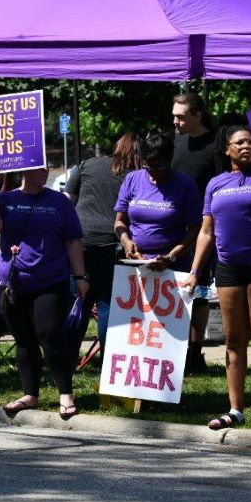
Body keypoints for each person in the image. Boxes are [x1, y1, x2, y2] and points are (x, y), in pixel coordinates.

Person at [179, 126, 251, 437]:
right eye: (239, 142)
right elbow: (206, 231)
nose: (246, 146)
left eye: (250, 142)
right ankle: (236, 410)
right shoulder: (215, 184)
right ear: (226, 149)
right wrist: (195, 270)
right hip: (228, 269)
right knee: (234, 341)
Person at [0, 161, 89, 420]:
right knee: (24, 339)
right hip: (13, 283)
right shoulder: (6, 198)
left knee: (49, 335)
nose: (45, 173)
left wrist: (80, 276)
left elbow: (73, 239)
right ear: (24, 170)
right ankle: (30, 394)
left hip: (51, 280)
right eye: (40, 168)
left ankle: (65, 393)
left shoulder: (59, 202)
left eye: (46, 169)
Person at [113, 132, 201, 347]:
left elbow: (193, 231)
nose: (153, 173)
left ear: (170, 159)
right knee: (138, 323)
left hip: (173, 264)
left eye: (159, 167)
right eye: (148, 166)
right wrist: (126, 241)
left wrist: (170, 257)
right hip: (137, 262)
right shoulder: (132, 179)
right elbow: (119, 221)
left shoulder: (184, 184)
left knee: (168, 326)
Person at [66, 133, 142, 351]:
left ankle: (66, 359)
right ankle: (109, 362)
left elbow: (67, 201)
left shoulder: (88, 165)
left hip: (81, 242)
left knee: (78, 301)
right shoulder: (137, 176)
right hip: (115, 244)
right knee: (108, 304)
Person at [171, 92, 223, 370]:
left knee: (200, 290)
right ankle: (172, 348)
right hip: (173, 229)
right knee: (175, 288)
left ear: (197, 115)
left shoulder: (216, 144)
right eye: (174, 117)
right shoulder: (175, 144)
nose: (176, 122)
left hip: (205, 228)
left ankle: (194, 350)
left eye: (181, 116)